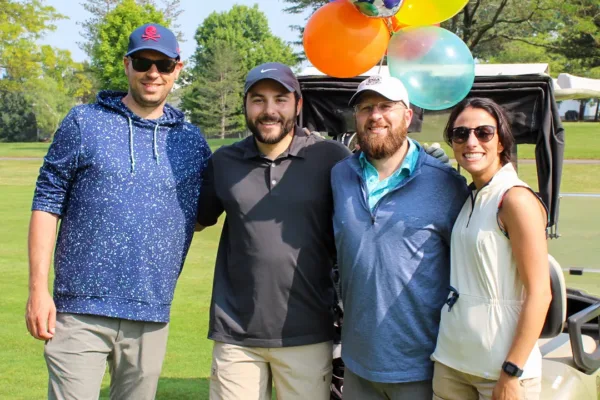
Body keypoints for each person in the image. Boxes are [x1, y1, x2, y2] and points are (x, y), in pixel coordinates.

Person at [25, 23, 211, 399]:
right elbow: (46, 202)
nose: (152, 73)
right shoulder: (84, 122)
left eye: (163, 64)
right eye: (143, 62)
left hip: (151, 313)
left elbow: (207, 212)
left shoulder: (191, 142)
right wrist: (37, 290)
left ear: (178, 68)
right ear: (127, 65)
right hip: (79, 310)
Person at [196, 62, 352, 400]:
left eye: (280, 99)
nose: (269, 110)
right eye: (258, 100)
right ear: (245, 105)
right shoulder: (223, 162)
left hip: (308, 334)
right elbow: (191, 221)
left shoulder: (331, 157)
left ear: (298, 104)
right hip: (236, 334)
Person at [330, 75, 470, 399]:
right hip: (357, 365)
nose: (375, 115)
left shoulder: (446, 184)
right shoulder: (340, 176)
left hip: (423, 367)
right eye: (366, 108)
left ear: (408, 115)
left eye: (385, 106)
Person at [431, 97, 551, 400]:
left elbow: (540, 293)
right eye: (461, 134)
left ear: (500, 142)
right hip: (451, 362)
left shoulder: (515, 200)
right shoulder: (470, 196)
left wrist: (512, 372)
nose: (471, 141)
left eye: (483, 133)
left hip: (500, 371)